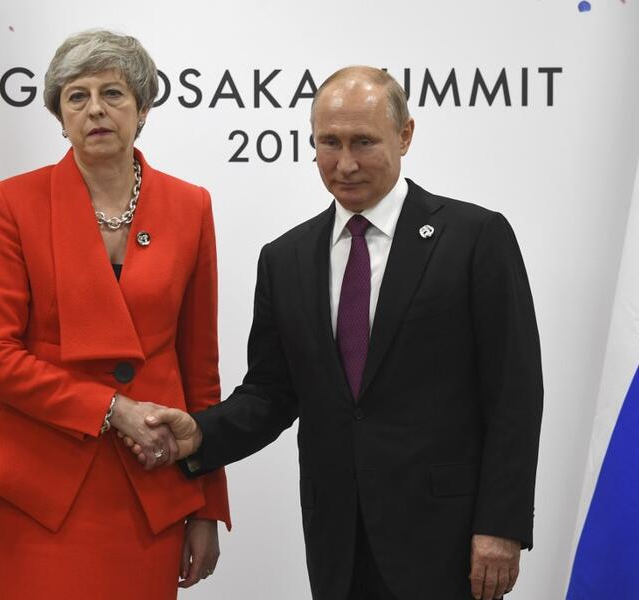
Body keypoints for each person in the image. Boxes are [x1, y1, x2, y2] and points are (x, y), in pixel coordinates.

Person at [126, 66, 543, 600]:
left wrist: (502, 526)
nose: (344, 163)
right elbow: (272, 394)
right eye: (329, 142)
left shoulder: (475, 238)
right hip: (337, 542)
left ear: (406, 135)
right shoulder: (286, 258)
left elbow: (515, 393)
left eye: (363, 142)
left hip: (450, 539)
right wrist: (201, 434)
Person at [0, 29, 229, 599]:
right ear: (60, 116)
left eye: (113, 93)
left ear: (142, 108)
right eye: (76, 97)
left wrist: (207, 503)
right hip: (34, 486)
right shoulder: (12, 203)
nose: (95, 110)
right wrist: (111, 408)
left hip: (148, 483)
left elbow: (199, 368)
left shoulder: (191, 205)